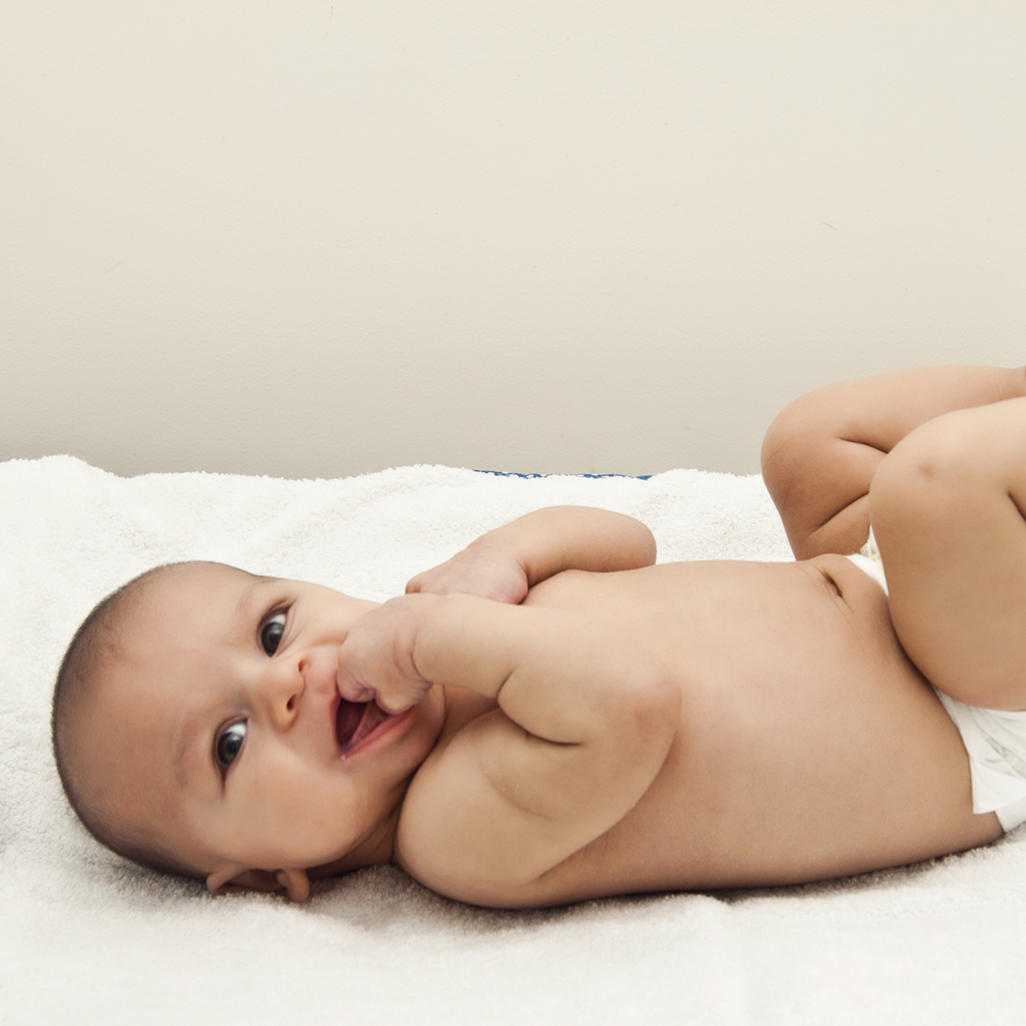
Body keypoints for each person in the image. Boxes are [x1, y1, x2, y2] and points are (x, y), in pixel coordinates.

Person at [51, 365, 1026, 909]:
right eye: (230, 744)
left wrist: (502, 556)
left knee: (809, 441)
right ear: (267, 874)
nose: (284, 686)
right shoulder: (454, 835)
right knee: (933, 484)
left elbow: (628, 541)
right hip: (971, 717)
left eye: (272, 629)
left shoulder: (470, 633)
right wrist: (448, 633)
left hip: (893, 599)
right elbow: (626, 699)